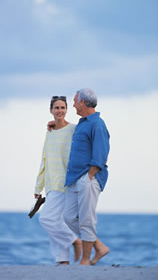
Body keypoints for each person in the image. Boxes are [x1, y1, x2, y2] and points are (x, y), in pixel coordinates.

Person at [63, 88, 110, 265]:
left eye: (75, 101)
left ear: (83, 102)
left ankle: (85, 260)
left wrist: (90, 175)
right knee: (68, 217)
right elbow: (67, 129)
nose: (73, 104)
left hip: (88, 178)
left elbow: (101, 153)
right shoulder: (82, 123)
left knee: (87, 220)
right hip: (74, 178)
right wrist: (55, 123)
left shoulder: (97, 124)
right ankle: (99, 247)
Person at [34, 96, 82, 265]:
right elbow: (44, 159)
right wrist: (38, 186)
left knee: (46, 219)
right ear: (51, 110)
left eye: (63, 107)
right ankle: (62, 260)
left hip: (65, 182)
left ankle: (75, 241)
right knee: (57, 221)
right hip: (50, 183)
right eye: (56, 107)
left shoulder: (74, 130)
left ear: (67, 109)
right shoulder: (50, 132)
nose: (60, 110)